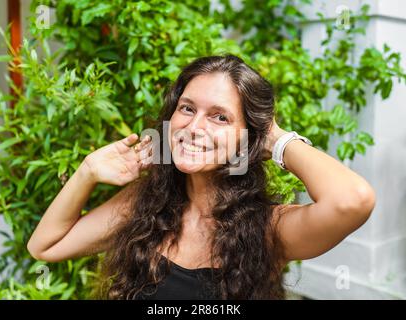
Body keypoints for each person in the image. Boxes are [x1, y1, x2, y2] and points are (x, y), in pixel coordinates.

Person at [27, 55, 376, 300]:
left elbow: (353, 200)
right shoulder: (145, 205)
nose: (194, 128)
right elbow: (44, 246)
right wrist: (88, 170)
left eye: (220, 117)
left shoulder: (268, 228)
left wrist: (274, 137)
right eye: (187, 108)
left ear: (249, 136)